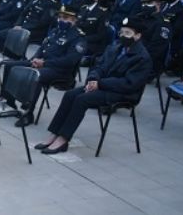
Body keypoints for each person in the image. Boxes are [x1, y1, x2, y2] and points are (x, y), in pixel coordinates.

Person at [35, 17, 152, 155]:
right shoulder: (115, 48)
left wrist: (100, 83)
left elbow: (129, 84)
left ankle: (63, 138)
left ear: (137, 36)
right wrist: (93, 79)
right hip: (102, 86)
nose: (123, 36)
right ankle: (54, 134)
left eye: (128, 33)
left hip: (122, 93)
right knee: (70, 94)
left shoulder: (142, 58)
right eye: (121, 33)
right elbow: (99, 66)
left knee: (82, 99)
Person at [1, 4, 86, 127]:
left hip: (59, 71)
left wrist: (44, 63)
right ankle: (9, 103)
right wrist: (35, 58)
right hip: (42, 63)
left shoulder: (78, 37)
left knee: (36, 76)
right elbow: (43, 47)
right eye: (60, 17)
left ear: (74, 20)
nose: (61, 20)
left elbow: (69, 61)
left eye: (65, 18)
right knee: (10, 66)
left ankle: (28, 113)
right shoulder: (56, 30)